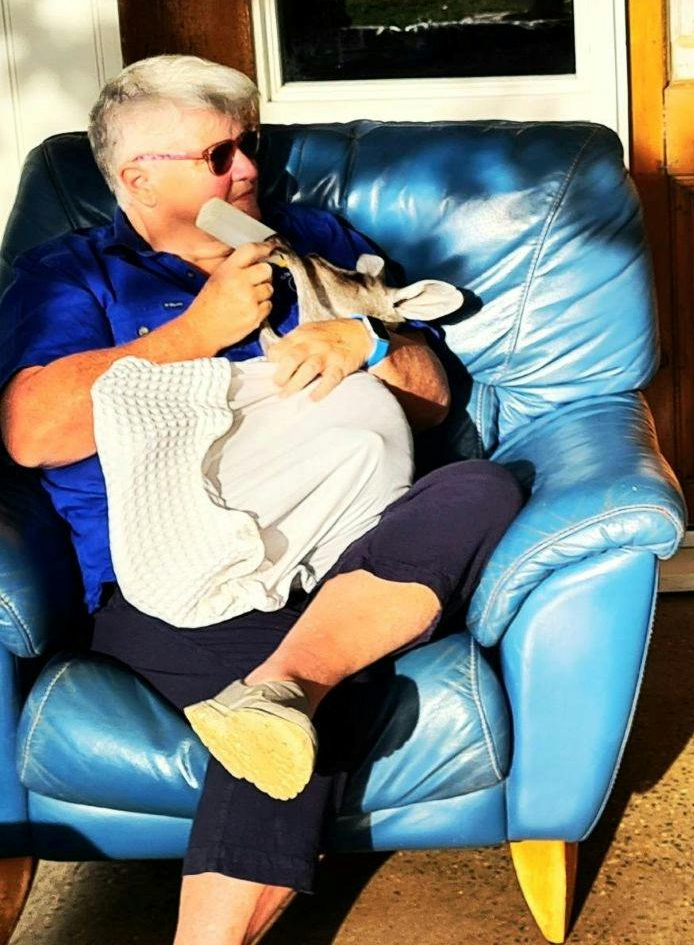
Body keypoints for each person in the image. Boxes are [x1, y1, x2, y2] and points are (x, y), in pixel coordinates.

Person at [0, 55, 523, 945]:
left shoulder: (306, 238)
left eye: (250, 144)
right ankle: (293, 688)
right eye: (218, 155)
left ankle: (284, 685)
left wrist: (367, 342)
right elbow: (31, 431)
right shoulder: (73, 275)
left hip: (351, 562)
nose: (248, 171)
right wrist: (195, 335)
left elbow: (437, 402)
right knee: (299, 729)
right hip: (179, 587)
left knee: (481, 485)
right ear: (137, 176)